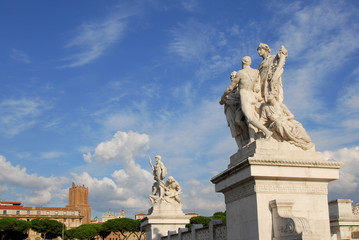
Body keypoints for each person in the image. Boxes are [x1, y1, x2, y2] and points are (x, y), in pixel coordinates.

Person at [220, 56, 272, 142]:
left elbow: (230, 88)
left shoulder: (240, 73)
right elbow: (257, 87)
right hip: (253, 96)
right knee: (238, 119)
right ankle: (251, 138)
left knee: (249, 118)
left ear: (243, 62)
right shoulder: (256, 72)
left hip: (245, 96)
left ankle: (267, 131)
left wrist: (223, 97)